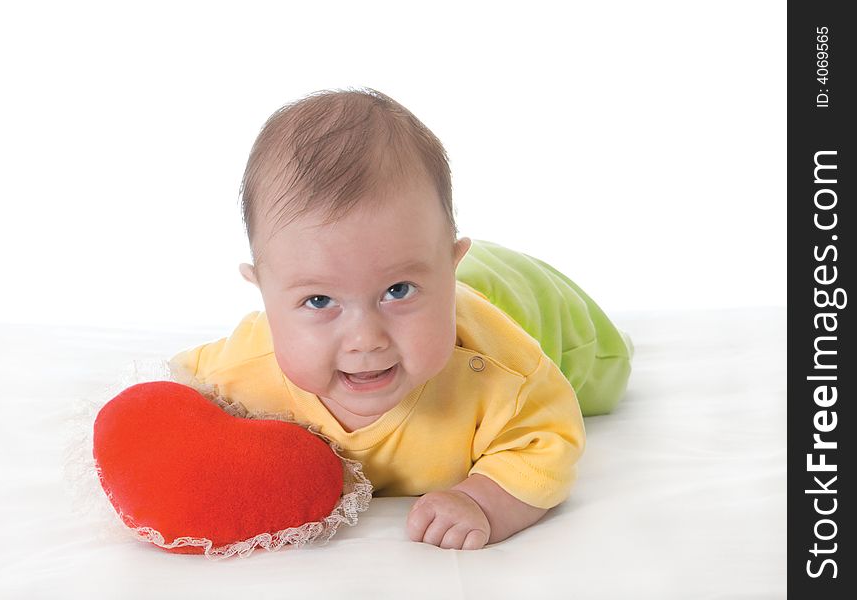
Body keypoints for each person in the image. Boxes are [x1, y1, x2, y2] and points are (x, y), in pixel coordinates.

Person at [170, 87, 630, 550]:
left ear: (450, 266)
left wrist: (484, 500)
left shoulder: (503, 374)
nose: (365, 339)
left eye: (396, 292)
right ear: (263, 294)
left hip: (529, 302)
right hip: (440, 275)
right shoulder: (242, 367)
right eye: (319, 301)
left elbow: (547, 440)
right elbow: (173, 394)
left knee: (605, 375)